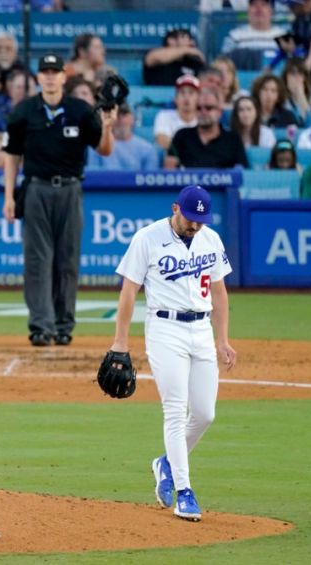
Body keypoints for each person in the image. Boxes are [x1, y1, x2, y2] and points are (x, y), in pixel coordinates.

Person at [110, 184, 236, 523]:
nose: (195, 225)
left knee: (205, 413)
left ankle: (166, 463)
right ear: (175, 208)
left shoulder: (210, 239)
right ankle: (184, 491)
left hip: (202, 330)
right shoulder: (147, 238)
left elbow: (220, 292)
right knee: (175, 409)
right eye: (190, 218)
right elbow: (129, 290)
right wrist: (120, 342)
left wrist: (222, 339)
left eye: (200, 219)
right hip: (165, 329)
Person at [2, 53, 115, 347]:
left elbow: (103, 150)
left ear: (64, 76)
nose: (50, 76)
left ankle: (64, 325)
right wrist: (8, 196)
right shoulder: (24, 111)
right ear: (38, 77)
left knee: (67, 260)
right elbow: (12, 155)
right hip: (36, 187)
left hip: (70, 187)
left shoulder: (80, 110)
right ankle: (40, 325)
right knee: (37, 260)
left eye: (55, 71)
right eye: (45, 71)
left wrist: (108, 126)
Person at [166, 88, 250, 169]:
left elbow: (242, 173)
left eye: (208, 108)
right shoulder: (181, 136)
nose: (203, 112)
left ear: (219, 112)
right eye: (199, 108)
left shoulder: (233, 139)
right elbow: (169, 170)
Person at [87, 103, 159, 171]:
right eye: (116, 114)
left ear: (132, 118)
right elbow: (93, 177)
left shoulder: (147, 149)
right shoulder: (98, 146)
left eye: (124, 114)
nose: (120, 119)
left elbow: (150, 179)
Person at [222, 0, 285, 70]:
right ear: (248, 10)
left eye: (263, 4)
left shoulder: (284, 36)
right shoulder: (234, 36)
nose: (259, 9)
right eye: (254, 4)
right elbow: (225, 64)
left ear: (271, 10)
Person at [154, 75, 200, 151]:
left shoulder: (204, 119)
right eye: (182, 92)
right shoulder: (164, 116)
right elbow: (162, 141)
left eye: (191, 93)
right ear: (175, 99)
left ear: (198, 98)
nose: (186, 97)